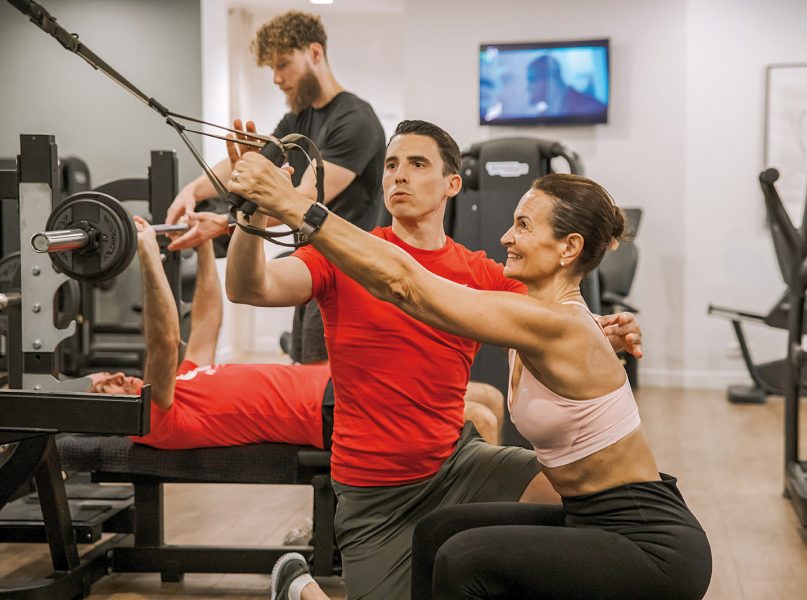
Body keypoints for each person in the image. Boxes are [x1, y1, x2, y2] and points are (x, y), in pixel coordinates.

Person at [231, 133, 709, 600]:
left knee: (465, 558)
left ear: (568, 249)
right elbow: (260, 287)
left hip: (644, 535)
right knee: (441, 535)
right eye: (392, 165)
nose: (506, 236)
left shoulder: (530, 310)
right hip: (388, 486)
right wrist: (255, 210)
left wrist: (298, 208)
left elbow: (404, 284)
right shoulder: (536, 312)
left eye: (522, 225)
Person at [87, 216, 501, 449]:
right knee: (477, 415)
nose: (115, 378)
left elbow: (207, 320)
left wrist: (201, 247)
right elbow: (162, 340)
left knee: (488, 396)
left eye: (105, 376)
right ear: (104, 418)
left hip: (339, 381)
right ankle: (481, 529)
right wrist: (146, 254)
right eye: (103, 389)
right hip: (332, 411)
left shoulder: (186, 378)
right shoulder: (154, 418)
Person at [164, 10, 386, 367]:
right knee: (302, 372)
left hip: (346, 277)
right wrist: (193, 191)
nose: (277, 79)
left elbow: (302, 202)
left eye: (283, 65)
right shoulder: (300, 117)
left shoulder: (355, 120)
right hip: (311, 266)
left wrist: (223, 225)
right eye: (272, 68)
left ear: (315, 53)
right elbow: (252, 158)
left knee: (322, 387)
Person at [526, 54, 607, 119]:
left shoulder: (592, 109)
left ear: (549, 79)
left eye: (531, 79)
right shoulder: (544, 114)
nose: (528, 88)